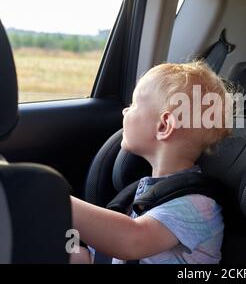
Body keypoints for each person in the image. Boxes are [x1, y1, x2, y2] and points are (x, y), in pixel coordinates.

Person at [70, 61, 232, 264]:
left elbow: (131, 241)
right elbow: (102, 257)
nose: (125, 111)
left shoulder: (197, 204)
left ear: (164, 125)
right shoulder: (143, 195)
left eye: (134, 105)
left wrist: (56, 199)